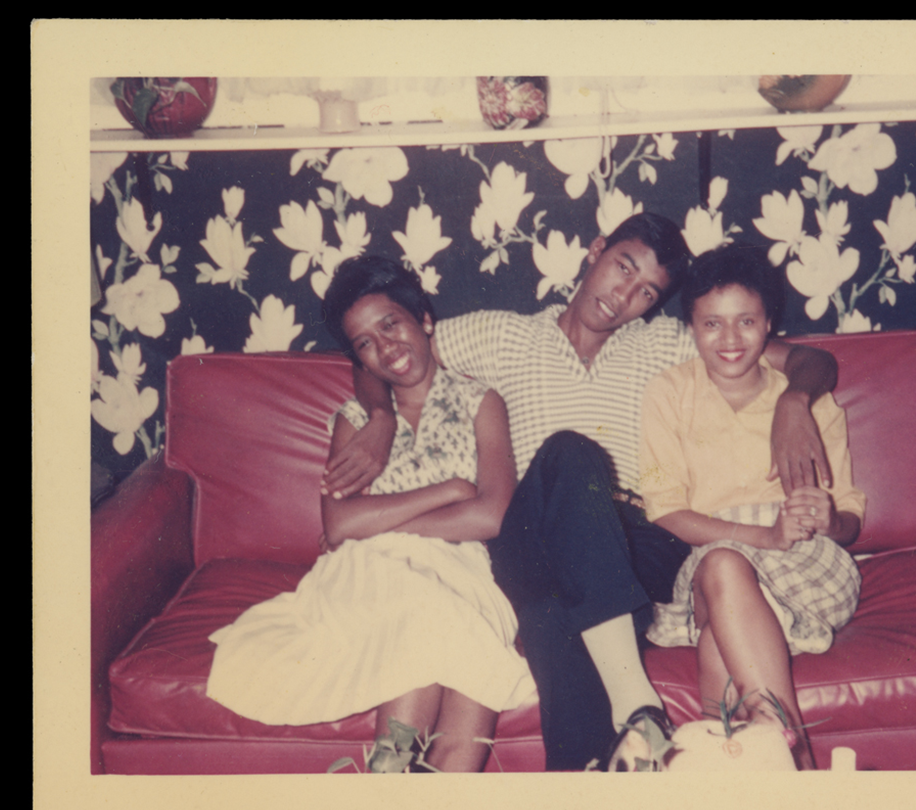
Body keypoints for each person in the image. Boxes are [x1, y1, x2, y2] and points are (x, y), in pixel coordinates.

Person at [323, 214, 839, 771]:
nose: (624, 297)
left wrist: (795, 402)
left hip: (636, 544)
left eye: (647, 292)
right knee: (569, 452)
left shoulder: (664, 342)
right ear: (595, 251)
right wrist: (379, 415)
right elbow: (391, 346)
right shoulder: (504, 335)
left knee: (549, 612)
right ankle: (637, 703)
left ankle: (585, 784)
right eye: (622, 268)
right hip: (530, 534)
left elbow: (814, 361)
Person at [206, 256, 534, 773]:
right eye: (364, 342)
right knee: (425, 613)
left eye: (391, 325)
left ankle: (393, 781)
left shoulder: (480, 401)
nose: (385, 348)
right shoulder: (355, 420)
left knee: (451, 620)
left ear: (424, 320)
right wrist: (448, 489)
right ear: (357, 358)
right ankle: (390, 772)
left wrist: (376, 518)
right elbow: (338, 526)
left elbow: (491, 516)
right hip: (370, 574)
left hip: (467, 571)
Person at [638, 246, 864, 769]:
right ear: (691, 328)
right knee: (722, 565)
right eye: (712, 324)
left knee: (723, 629)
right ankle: (795, 756)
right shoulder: (666, 394)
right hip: (713, 553)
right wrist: (762, 537)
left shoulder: (813, 403)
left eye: (746, 321)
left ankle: (751, 773)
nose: (730, 339)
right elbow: (664, 508)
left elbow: (850, 520)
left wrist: (828, 518)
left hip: (808, 563)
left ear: (769, 325)